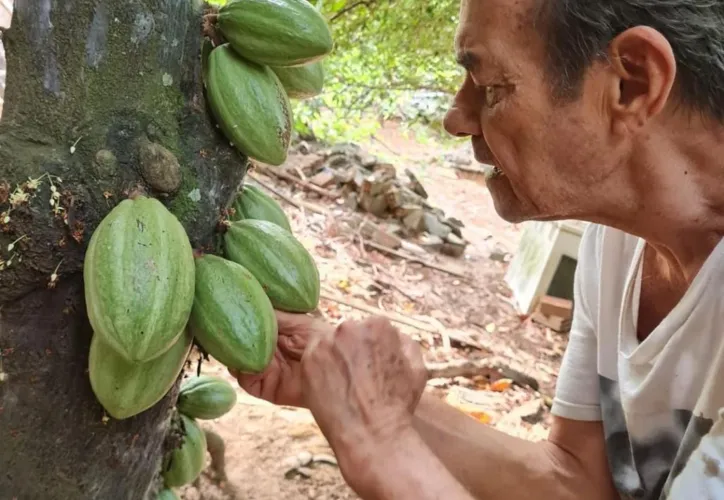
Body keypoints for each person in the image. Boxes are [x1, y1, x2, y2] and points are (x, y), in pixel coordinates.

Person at [233, 0, 724, 498]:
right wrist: (354, 386)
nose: (455, 119)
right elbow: (577, 481)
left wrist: (382, 445)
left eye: (492, 88)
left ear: (632, 83)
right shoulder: (617, 242)